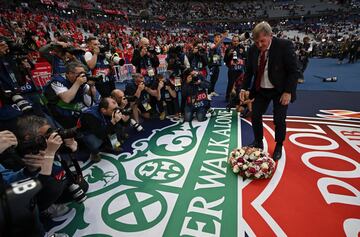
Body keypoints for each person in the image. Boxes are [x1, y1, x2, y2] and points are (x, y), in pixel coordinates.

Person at [240, 21, 298, 160]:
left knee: (279, 119)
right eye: (256, 42)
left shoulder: (284, 46)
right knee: (255, 115)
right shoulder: (253, 49)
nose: (259, 45)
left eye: (262, 41)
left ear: (270, 35)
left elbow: (294, 71)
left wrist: (288, 92)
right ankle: (258, 141)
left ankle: (278, 145)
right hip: (261, 89)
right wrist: (244, 88)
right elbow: (248, 71)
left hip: (280, 90)